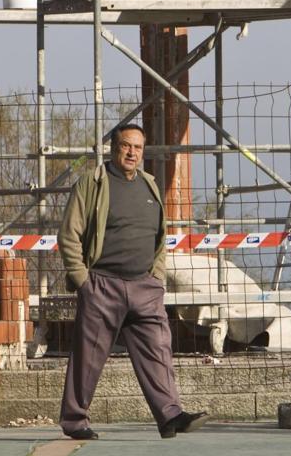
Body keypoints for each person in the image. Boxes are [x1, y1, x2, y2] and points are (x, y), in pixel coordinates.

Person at [57, 123, 209, 440]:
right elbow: (68, 235)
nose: (132, 153)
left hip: (145, 286)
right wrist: (83, 280)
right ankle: (74, 421)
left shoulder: (151, 186)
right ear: (114, 148)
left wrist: (157, 278)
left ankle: (170, 416)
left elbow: (160, 238)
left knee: (158, 350)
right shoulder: (93, 183)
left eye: (138, 148)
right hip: (102, 285)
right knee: (88, 356)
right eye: (126, 146)